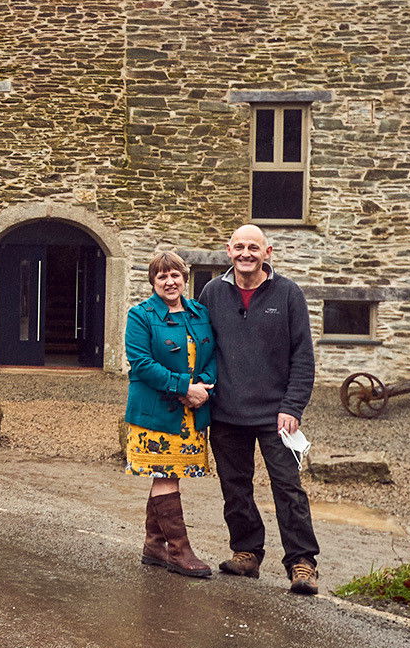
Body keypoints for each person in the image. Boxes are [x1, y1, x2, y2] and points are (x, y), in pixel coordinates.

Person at [197, 224, 321, 595]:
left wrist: (292, 406)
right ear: (228, 250)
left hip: (276, 415)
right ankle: (247, 552)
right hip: (226, 412)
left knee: (288, 488)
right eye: (239, 247)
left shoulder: (288, 294)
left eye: (253, 247)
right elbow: (201, 345)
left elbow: (303, 356)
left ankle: (302, 563)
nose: (245, 253)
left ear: (268, 252)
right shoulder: (212, 292)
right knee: (235, 487)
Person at [123, 251, 218, 578]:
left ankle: (153, 545)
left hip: (192, 411)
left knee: (168, 476)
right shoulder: (140, 315)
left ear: (185, 278)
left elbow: (212, 355)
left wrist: (204, 386)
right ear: (153, 281)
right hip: (156, 413)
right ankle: (178, 551)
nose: (169, 281)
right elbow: (141, 364)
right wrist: (183, 388)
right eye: (161, 276)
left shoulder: (198, 312)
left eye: (175, 274)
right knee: (166, 475)